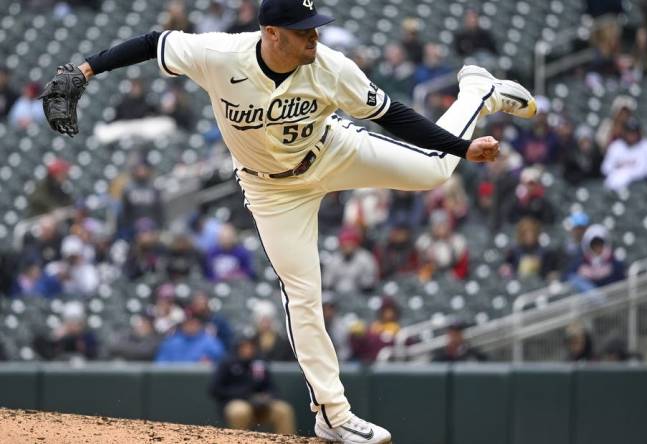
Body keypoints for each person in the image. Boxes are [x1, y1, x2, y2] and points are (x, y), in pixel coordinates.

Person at [40, 0, 537, 439]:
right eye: (303, 30)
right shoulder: (221, 55)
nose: (314, 37)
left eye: (315, 26)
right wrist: (82, 71)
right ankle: (333, 416)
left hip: (330, 151)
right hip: (269, 188)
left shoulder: (330, 66)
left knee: (434, 170)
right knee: (303, 295)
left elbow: (392, 115)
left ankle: (475, 92)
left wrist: (460, 147)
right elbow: (155, 41)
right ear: (271, 33)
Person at [210, 337, 296, 434]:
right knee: (241, 411)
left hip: (260, 404)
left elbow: (272, 387)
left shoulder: (259, 363)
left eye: (250, 346)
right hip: (236, 402)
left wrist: (268, 397)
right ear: (237, 347)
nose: (247, 349)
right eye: (244, 346)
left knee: (283, 410)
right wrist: (244, 395)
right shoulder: (227, 362)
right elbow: (215, 389)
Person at [601, 117, 647, 191]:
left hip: (641, 187)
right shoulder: (616, 146)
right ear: (624, 132)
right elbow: (606, 169)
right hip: (616, 186)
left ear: (639, 132)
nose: (631, 135)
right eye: (629, 132)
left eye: (634, 132)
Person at [567, 224, 626, 292]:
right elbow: (569, 275)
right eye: (594, 244)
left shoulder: (614, 261)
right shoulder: (582, 262)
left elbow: (620, 279)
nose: (597, 247)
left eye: (600, 244)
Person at [322, 225, 379, 294]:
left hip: (360, 296)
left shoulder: (365, 258)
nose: (348, 247)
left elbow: (369, 283)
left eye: (350, 243)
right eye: (345, 244)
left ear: (356, 244)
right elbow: (327, 283)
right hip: (336, 296)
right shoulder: (334, 259)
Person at [118, 161, 164, 240]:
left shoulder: (153, 188)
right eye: (139, 170)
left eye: (143, 170)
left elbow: (159, 209)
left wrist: (160, 226)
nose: (141, 172)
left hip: (152, 225)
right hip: (132, 226)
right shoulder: (128, 189)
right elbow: (125, 211)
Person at [155, 313, 226, 364]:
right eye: (188, 323)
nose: (191, 326)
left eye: (194, 323)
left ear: (200, 325)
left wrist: (210, 364)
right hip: (174, 380)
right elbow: (161, 363)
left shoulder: (211, 342)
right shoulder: (171, 343)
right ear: (183, 325)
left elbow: (221, 362)